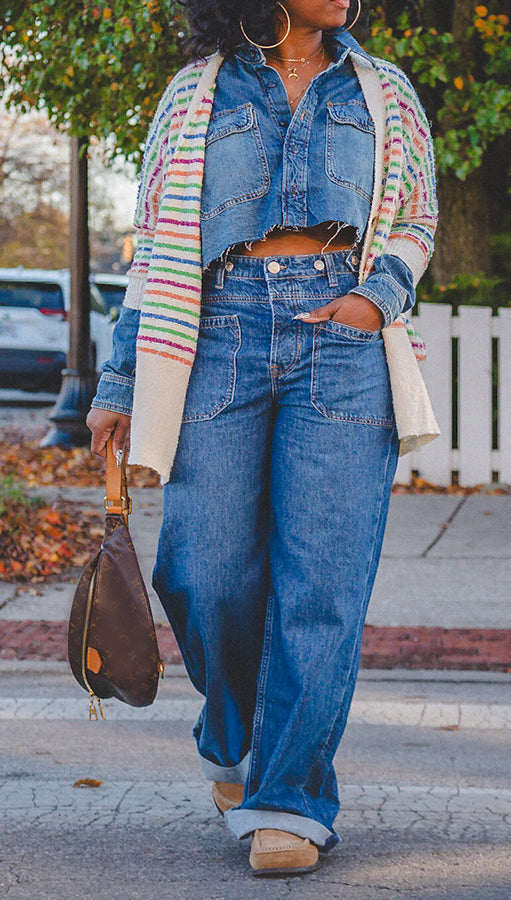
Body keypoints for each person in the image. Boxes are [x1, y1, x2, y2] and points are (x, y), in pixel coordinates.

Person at [86, 0, 438, 877]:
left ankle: (289, 797)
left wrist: (376, 296)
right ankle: (235, 731)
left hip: (345, 339)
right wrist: (120, 383)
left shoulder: (383, 92)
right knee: (203, 569)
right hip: (219, 332)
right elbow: (157, 242)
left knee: (322, 582)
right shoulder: (193, 93)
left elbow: (416, 216)